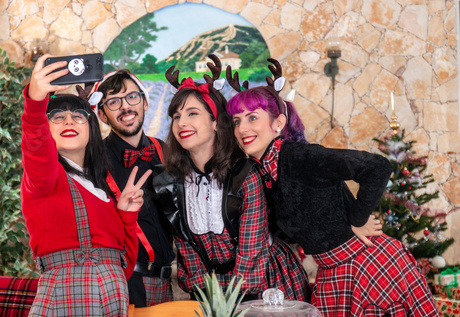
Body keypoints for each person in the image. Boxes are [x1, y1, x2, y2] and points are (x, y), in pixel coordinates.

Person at [226, 58, 439, 316]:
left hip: (369, 262)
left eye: (252, 118)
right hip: (331, 272)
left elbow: (377, 166)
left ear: (278, 124)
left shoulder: (301, 157)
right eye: (237, 121)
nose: (242, 128)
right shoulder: (262, 173)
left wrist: (358, 219)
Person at [152, 55, 310, 302]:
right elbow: (187, 252)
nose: (182, 123)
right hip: (210, 295)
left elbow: (251, 259)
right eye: (176, 117)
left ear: (216, 122)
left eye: (192, 113)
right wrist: (207, 293)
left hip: (267, 286)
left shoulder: (245, 175)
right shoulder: (170, 181)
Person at [21, 55, 150, 316]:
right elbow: (35, 146)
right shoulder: (44, 177)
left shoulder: (100, 187)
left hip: (113, 294)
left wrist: (125, 214)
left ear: (92, 127)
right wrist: (36, 103)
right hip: (69, 294)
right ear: (46, 129)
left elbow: (122, 263)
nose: (68, 121)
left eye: (78, 116)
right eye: (57, 117)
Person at [90, 69, 175, 307]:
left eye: (132, 97)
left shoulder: (163, 150)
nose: (125, 107)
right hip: (125, 282)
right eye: (114, 102)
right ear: (103, 115)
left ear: (145, 102)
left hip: (167, 282)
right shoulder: (94, 160)